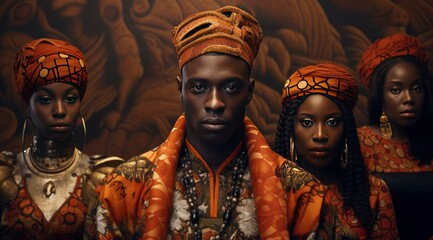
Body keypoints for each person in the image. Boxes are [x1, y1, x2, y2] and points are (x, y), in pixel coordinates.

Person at [85, 6, 325, 239]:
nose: (214, 102)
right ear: (180, 89)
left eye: (230, 87)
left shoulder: (301, 194)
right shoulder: (123, 189)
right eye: (199, 87)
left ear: (249, 91)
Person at [0, 38, 123, 239]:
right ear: (28, 108)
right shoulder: (4, 176)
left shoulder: (104, 178)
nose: (60, 111)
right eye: (46, 100)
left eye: (70, 99)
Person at [275, 63, 399, 239]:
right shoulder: (270, 190)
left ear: (346, 128)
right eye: (307, 123)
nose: (320, 135)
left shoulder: (373, 192)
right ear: (291, 129)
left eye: (332, 122)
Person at [357, 34, 433, 239]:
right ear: (380, 95)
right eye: (396, 90)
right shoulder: (361, 142)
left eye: (416, 88)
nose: (408, 98)